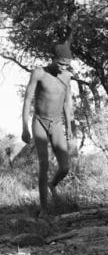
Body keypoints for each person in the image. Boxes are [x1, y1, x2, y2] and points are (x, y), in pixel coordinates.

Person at [22, 42, 73, 217]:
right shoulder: (39, 73)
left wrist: (70, 127)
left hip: (57, 123)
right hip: (39, 122)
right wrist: (24, 127)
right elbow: (28, 99)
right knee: (44, 164)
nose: (63, 67)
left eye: (66, 64)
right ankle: (44, 209)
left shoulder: (67, 77)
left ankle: (52, 185)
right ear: (52, 59)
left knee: (65, 167)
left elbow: (66, 103)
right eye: (60, 64)